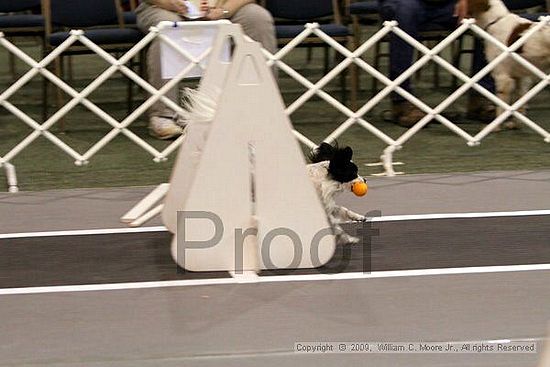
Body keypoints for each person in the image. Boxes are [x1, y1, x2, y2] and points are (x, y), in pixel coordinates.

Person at [136, 0, 277, 139]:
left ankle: (259, 107)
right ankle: (163, 114)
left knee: (257, 18)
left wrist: (223, 11)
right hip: (163, 6)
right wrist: (171, 4)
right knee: (167, 24)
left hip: (225, 6)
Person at [379, 0, 496, 127]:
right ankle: (401, 102)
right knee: (406, 9)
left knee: (484, 10)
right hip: (403, 4)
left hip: (446, 6)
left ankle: (481, 97)